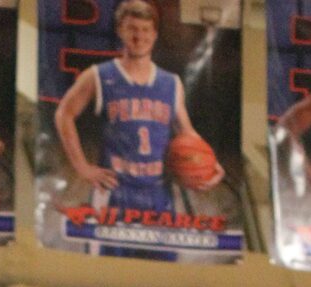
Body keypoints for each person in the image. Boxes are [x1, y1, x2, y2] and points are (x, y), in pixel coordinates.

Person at [55, 0, 222, 217]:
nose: (139, 36)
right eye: (132, 29)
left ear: (154, 34)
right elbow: (64, 114)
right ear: (120, 31)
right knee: (106, 253)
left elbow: (186, 131)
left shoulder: (172, 83)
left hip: (159, 191)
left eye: (145, 30)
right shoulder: (99, 75)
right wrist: (82, 167)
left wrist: (210, 162)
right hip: (113, 190)